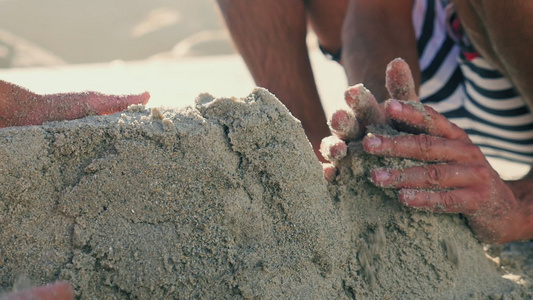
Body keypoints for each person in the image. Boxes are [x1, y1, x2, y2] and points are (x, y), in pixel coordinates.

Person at [216, 0, 533, 244]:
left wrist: (519, 210)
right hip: (435, 55)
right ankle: (310, 180)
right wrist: (387, 119)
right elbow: (377, 9)